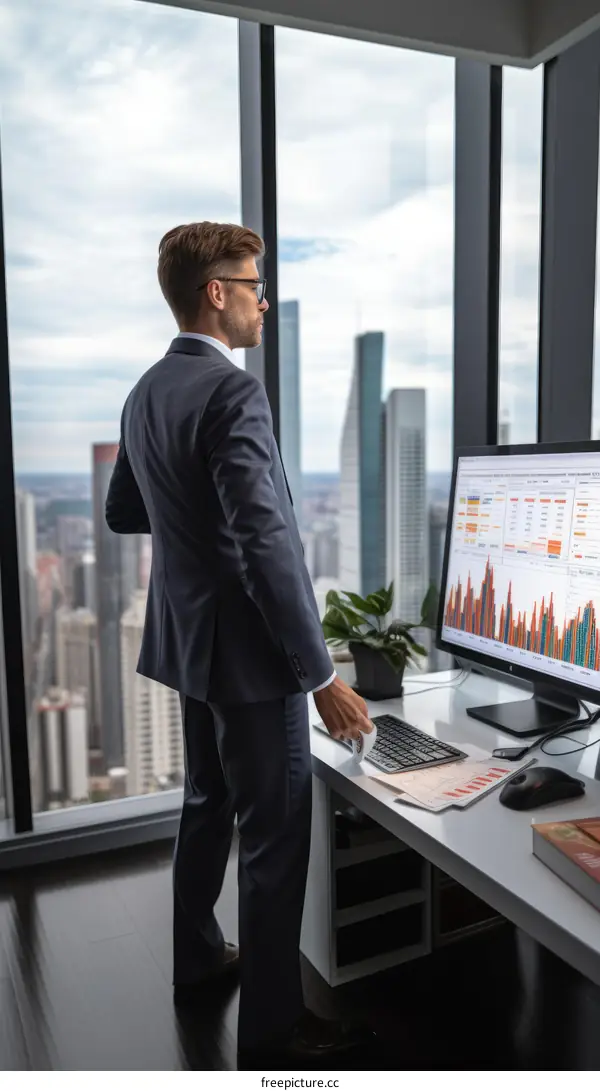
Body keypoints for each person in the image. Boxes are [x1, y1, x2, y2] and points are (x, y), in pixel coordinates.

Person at [105, 221, 374, 1063]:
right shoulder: (233, 394)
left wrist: (190, 521)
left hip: (190, 643)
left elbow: (124, 509)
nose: (263, 299)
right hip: (254, 662)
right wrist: (321, 673)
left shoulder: (146, 391)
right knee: (273, 833)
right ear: (215, 293)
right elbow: (268, 546)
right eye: (253, 284)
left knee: (205, 803)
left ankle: (194, 961)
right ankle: (273, 1029)